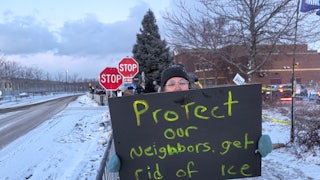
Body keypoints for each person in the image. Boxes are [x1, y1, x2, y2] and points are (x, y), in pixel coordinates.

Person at [106, 64, 273, 172]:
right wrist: (124, 161)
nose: (177, 87)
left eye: (182, 82)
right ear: (163, 89)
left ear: (189, 85)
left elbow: (231, 136)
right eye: (171, 84)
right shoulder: (148, 116)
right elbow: (139, 146)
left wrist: (256, 146)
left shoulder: (210, 109)